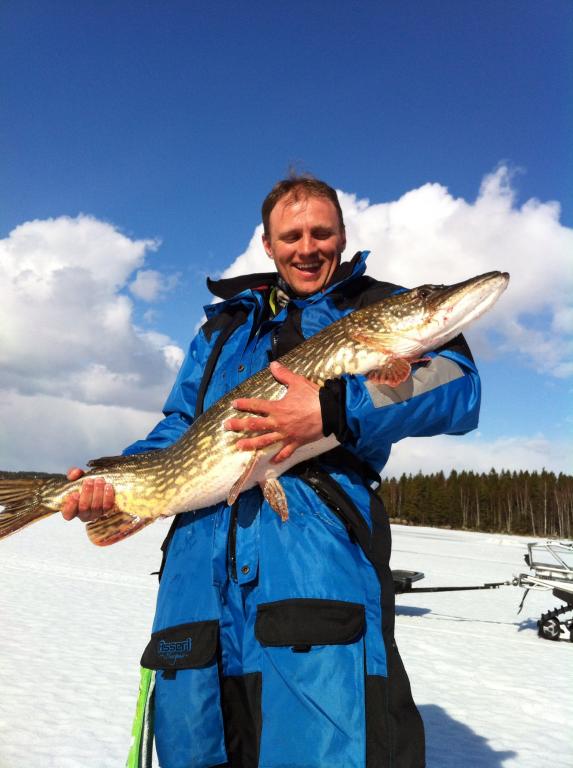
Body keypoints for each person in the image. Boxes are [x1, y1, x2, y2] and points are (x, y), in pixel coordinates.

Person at [63, 177, 481, 768]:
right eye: (292, 236)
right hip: (195, 588)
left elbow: (457, 387)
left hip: (310, 571)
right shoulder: (223, 329)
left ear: (342, 236)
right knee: (197, 746)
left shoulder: (373, 307)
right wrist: (116, 481)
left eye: (321, 233)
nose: (307, 248)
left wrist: (333, 408)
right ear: (268, 244)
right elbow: (178, 427)